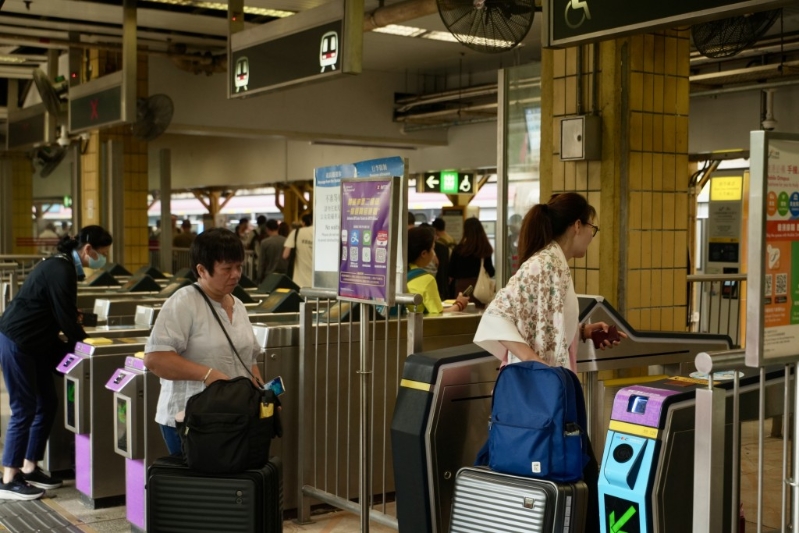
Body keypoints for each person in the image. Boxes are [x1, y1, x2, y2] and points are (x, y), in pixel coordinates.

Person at [473, 192, 623, 533]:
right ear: (577, 225)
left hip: (552, 400)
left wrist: (583, 331)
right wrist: (537, 365)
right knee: (576, 479)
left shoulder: (555, 264)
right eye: (593, 229)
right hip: (545, 399)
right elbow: (496, 316)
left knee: (569, 477)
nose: (592, 236)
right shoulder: (544, 264)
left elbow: (545, 321)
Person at [0, 225, 112, 500]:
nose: (103, 259)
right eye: (102, 253)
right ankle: (8, 477)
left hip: (36, 343)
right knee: (23, 407)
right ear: (88, 250)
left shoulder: (62, 267)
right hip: (18, 341)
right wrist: (87, 344)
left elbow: (63, 313)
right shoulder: (61, 268)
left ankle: (30, 466)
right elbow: (65, 317)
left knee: (47, 403)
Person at [144, 228, 263, 455]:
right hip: (190, 421)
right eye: (227, 268)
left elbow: (249, 359)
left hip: (233, 420)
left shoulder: (238, 305)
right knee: (199, 489)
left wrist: (264, 396)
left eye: (239, 266)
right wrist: (208, 375)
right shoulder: (183, 303)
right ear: (202, 270)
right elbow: (155, 359)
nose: (236, 274)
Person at [406, 226, 469, 315]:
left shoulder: (400, 273)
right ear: (424, 253)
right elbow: (437, 314)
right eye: (432, 248)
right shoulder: (426, 279)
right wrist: (460, 304)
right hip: (420, 327)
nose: (434, 253)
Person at [448, 218, 495, 307]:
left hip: (462, 288)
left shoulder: (458, 249)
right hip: (479, 287)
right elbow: (491, 272)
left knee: (461, 311)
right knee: (478, 315)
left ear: (465, 231)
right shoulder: (484, 249)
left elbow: (451, 272)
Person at [283, 213, 314, 289]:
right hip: (319, 283)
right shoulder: (326, 234)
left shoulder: (296, 232)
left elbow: (285, 255)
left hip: (299, 282)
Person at [257, 219, 288, 283]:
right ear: (278, 228)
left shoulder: (265, 242)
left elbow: (262, 262)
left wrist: (259, 277)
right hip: (284, 275)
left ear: (267, 229)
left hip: (269, 276)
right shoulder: (286, 241)